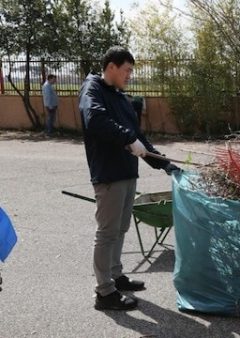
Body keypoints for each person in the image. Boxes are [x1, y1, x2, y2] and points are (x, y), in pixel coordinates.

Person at [79, 46, 179, 311]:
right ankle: (104, 292)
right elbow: (96, 121)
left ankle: (115, 275)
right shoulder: (93, 89)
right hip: (109, 174)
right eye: (127, 70)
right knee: (107, 232)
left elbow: (139, 139)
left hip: (126, 172)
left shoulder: (121, 98)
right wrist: (127, 138)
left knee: (120, 229)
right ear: (111, 66)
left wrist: (163, 163)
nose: (130, 76)